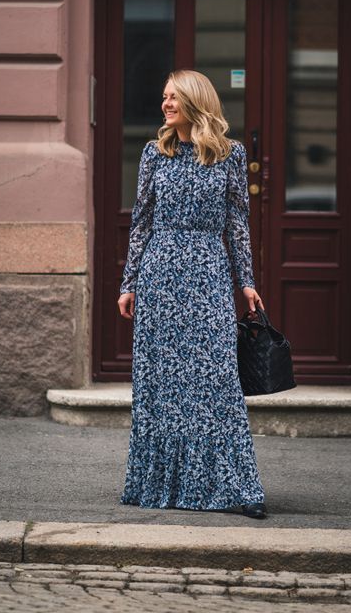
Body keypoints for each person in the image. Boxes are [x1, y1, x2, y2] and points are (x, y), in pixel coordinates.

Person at [117, 68, 268, 519]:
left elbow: (238, 224)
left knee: (216, 380)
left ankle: (236, 488)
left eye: (174, 97)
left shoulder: (230, 156)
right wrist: (129, 283)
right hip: (160, 273)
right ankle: (161, 487)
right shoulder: (153, 153)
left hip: (208, 274)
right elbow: (141, 221)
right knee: (161, 385)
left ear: (195, 102)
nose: (165, 104)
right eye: (164, 97)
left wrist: (247, 281)